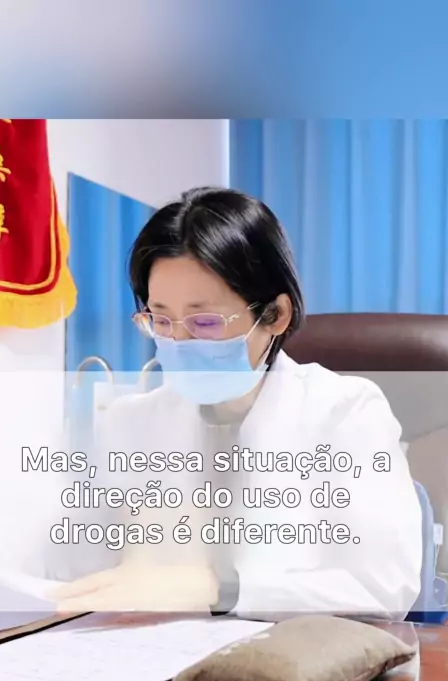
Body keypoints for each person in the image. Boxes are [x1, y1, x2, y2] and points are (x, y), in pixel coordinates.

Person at [53, 187, 422, 618]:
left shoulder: (344, 413)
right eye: (161, 319)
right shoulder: (129, 423)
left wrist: (218, 589)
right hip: (151, 646)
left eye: (205, 321)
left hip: (283, 651)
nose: (179, 341)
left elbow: (384, 586)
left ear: (275, 315)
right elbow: (81, 566)